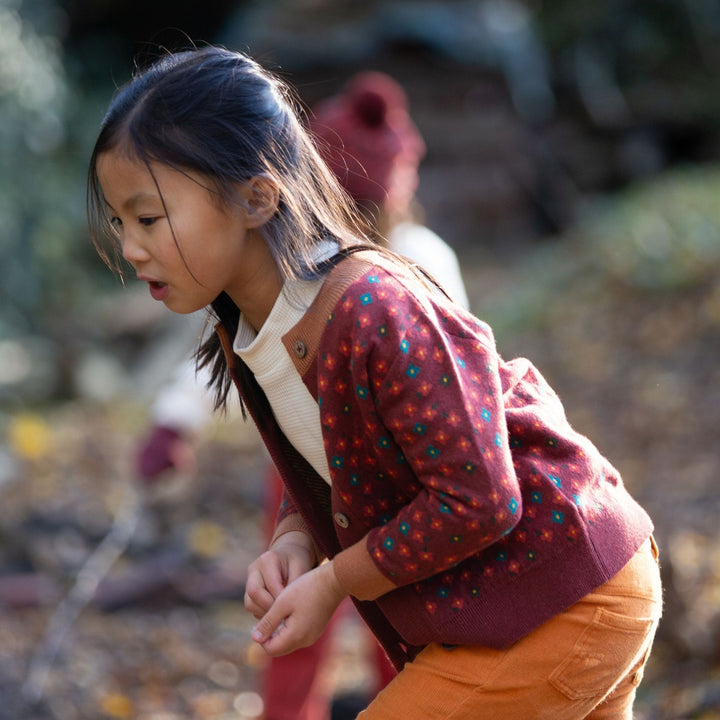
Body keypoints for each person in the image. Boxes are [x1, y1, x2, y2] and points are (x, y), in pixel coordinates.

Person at [87, 46, 662, 719]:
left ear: (256, 196)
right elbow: (326, 459)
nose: (129, 248)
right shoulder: (247, 327)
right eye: (120, 223)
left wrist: (336, 580)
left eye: (149, 219)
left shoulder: (373, 308)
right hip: (525, 601)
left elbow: (479, 496)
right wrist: (295, 541)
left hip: (561, 591)